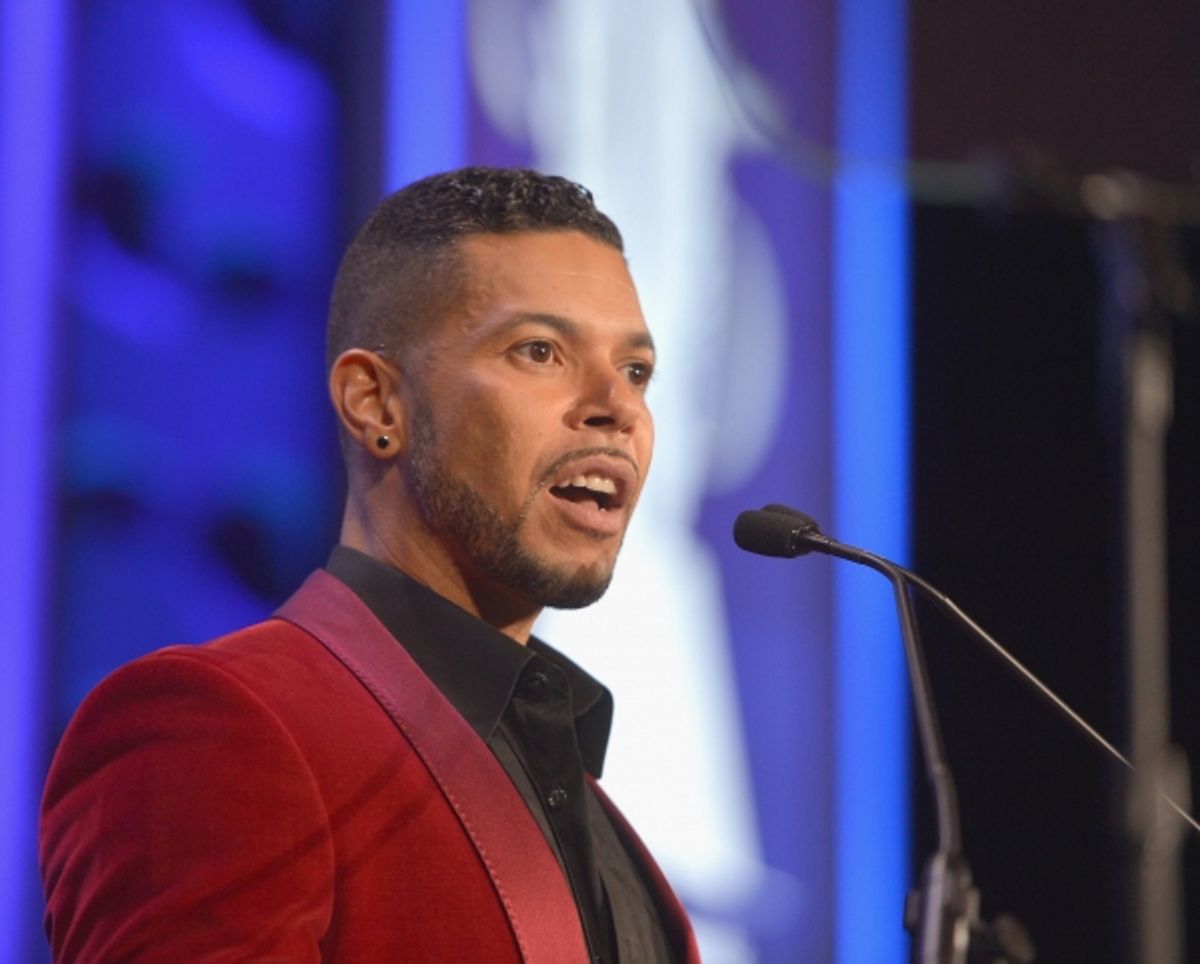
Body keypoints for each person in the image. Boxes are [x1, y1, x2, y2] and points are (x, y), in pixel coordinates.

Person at [39, 167, 699, 963]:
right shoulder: (217, 728)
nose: (618, 408)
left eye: (636, 371)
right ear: (376, 405)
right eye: (540, 351)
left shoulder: (601, 823)